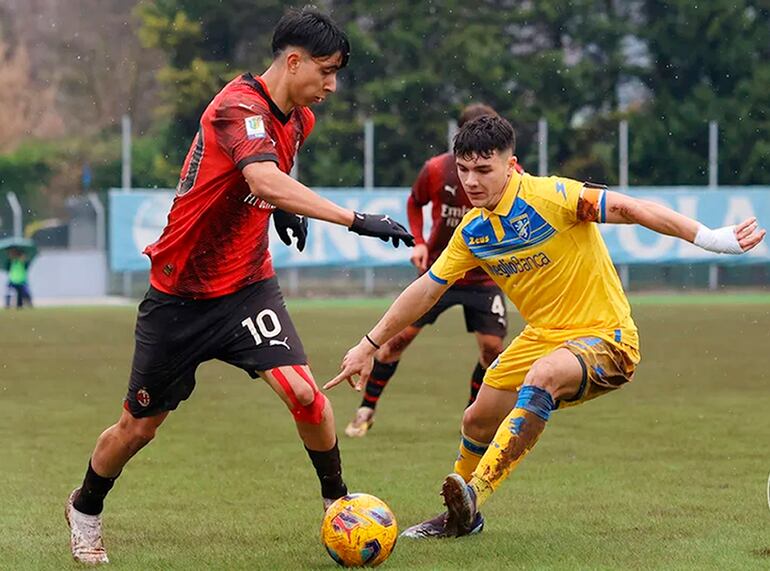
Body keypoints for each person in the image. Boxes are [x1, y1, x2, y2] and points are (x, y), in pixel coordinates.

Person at [65, 8, 414, 565]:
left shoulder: (299, 118)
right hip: (179, 297)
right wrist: (354, 219)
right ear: (292, 60)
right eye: (325, 71)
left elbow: (266, 182)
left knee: (307, 396)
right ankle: (85, 507)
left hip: (248, 287)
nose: (332, 84)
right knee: (138, 427)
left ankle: (337, 504)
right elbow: (260, 175)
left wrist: (282, 210)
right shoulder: (236, 107)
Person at [325, 115, 765, 539]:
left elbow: (631, 208)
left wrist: (710, 237)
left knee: (545, 376)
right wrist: (369, 343)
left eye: (483, 169)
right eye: (463, 170)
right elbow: (426, 290)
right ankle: (457, 518)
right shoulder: (474, 231)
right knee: (477, 419)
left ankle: (475, 493)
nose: (471, 181)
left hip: (606, 337)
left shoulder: (554, 196)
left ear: (510, 163)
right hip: (542, 338)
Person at [345, 104, 520, 438]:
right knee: (395, 342)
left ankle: (474, 418)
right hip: (442, 271)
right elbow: (414, 201)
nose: (474, 175)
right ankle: (365, 410)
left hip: (485, 277)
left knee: (492, 350)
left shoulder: (510, 173)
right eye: (467, 156)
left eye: (484, 159)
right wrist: (420, 242)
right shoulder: (437, 169)